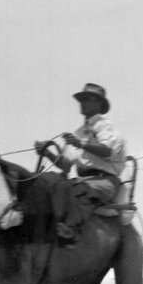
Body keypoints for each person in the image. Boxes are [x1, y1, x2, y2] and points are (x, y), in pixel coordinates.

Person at [35, 83, 126, 242]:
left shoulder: (106, 126)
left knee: (77, 189)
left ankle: (71, 230)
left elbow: (107, 150)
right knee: (52, 185)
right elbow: (65, 165)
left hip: (105, 181)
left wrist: (81, 144)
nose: (82, 103)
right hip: (83, 180)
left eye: (87, 99)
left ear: (98, 103)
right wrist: (47, 153)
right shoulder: (78, 132)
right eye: (81, 99)